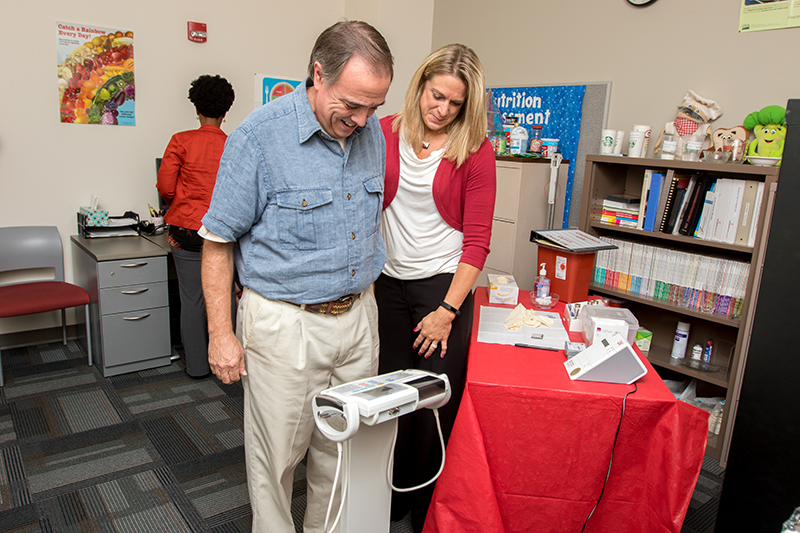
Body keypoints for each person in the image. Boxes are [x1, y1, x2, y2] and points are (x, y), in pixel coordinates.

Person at [199, 21, 393, 533]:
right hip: (285, 324)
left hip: (357, 318)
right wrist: (221, 335)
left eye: (374, 106)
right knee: (276, 461)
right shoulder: (258, 138)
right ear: (317, 74)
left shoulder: (371, 133)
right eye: (352, 104)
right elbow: (217, 242)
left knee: (342, 452)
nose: (362, 118)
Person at [376, 43, 496, 532]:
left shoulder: (475, 150)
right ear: (420, 84)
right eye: (436, 95)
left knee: (430, 405)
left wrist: (448, 309)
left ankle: (426, 507)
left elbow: (478, 241)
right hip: (387, 286)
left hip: (442, 290)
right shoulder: (383, 131)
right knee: (388, 398)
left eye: (454, 103)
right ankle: (390, 497)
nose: (441, 109)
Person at [156, 74, 236, 378]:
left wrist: (184, 201)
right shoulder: (233, 143)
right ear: (226, 111)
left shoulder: (181, 140)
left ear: (196, 109)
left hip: (187, 231)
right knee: (225, 295)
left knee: (191, 299)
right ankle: (227, 363)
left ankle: (197, 367)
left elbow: (165, 187)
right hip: (223, 232)